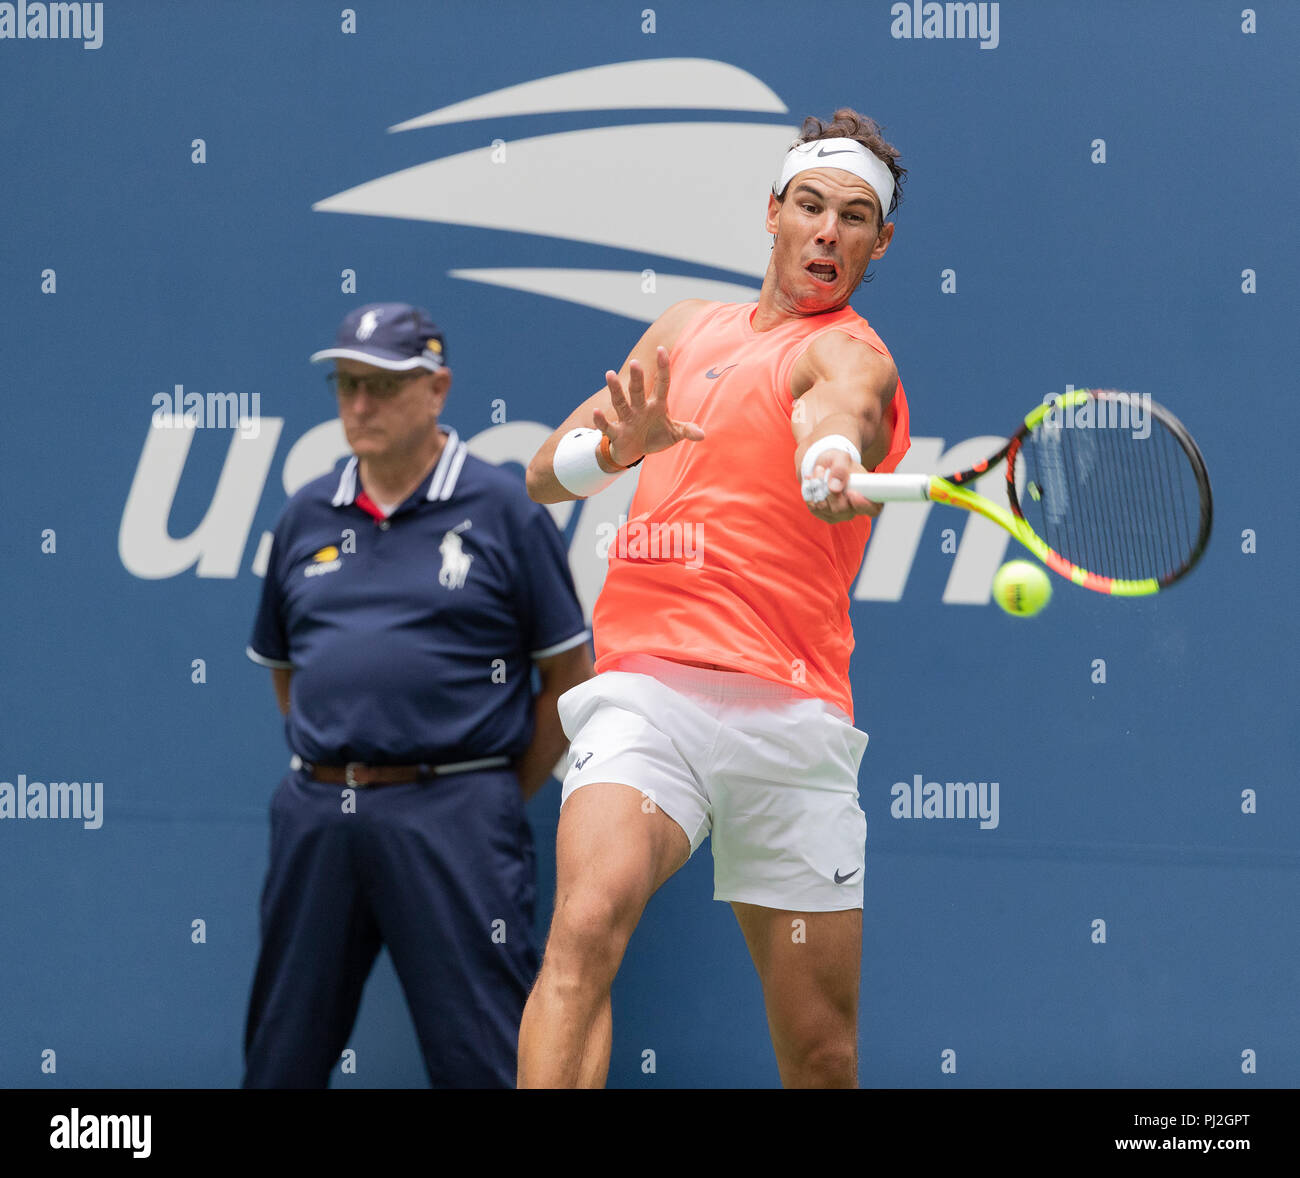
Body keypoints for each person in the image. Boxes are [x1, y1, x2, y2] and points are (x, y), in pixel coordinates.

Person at [517, 110, 912, 1089]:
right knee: (586, 918)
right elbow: (541, 474)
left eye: (854, 217)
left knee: (819, 1053)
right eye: (811, 206)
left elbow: (843, 404)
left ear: (879, 242)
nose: (828, 231)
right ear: (773, 212)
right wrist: (613, 448)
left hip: (792, 714)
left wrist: (827, 451)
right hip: (650, 694)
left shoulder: (854, 353)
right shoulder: (685, 328)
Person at [243, 302, 592, 1088]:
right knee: (280, 1058)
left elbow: (568, 679)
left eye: (381, 386)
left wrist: (484, 789)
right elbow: (287, 673)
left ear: (437, 390)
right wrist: (344, 760)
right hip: (319, 815)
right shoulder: (305, 517)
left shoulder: (504, 509)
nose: (358, 405)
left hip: (457, 818)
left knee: (486, 1061)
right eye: (347, 385)